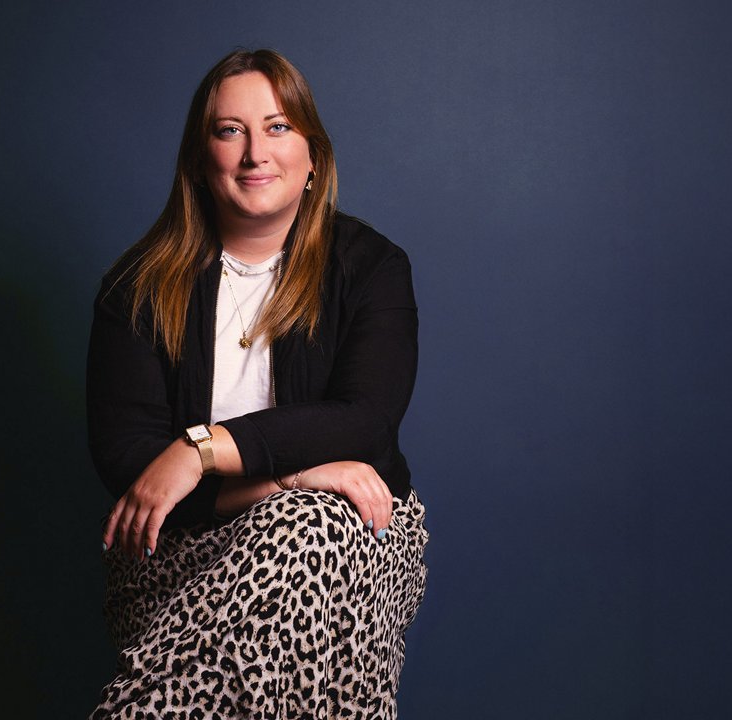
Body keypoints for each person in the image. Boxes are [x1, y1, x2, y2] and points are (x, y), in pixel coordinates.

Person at [87, 48, 428, 719]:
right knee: (304, 521)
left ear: (313, 157)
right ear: (199, 158)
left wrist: (199, 450)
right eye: (229, 131)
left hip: (357, 535)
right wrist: (291, 479)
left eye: (277, 127)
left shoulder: (372, 268)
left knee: (310, 528)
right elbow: (128, 460)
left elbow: (364, 420)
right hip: (178, 551)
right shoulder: (136, 287)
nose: (255, 154)